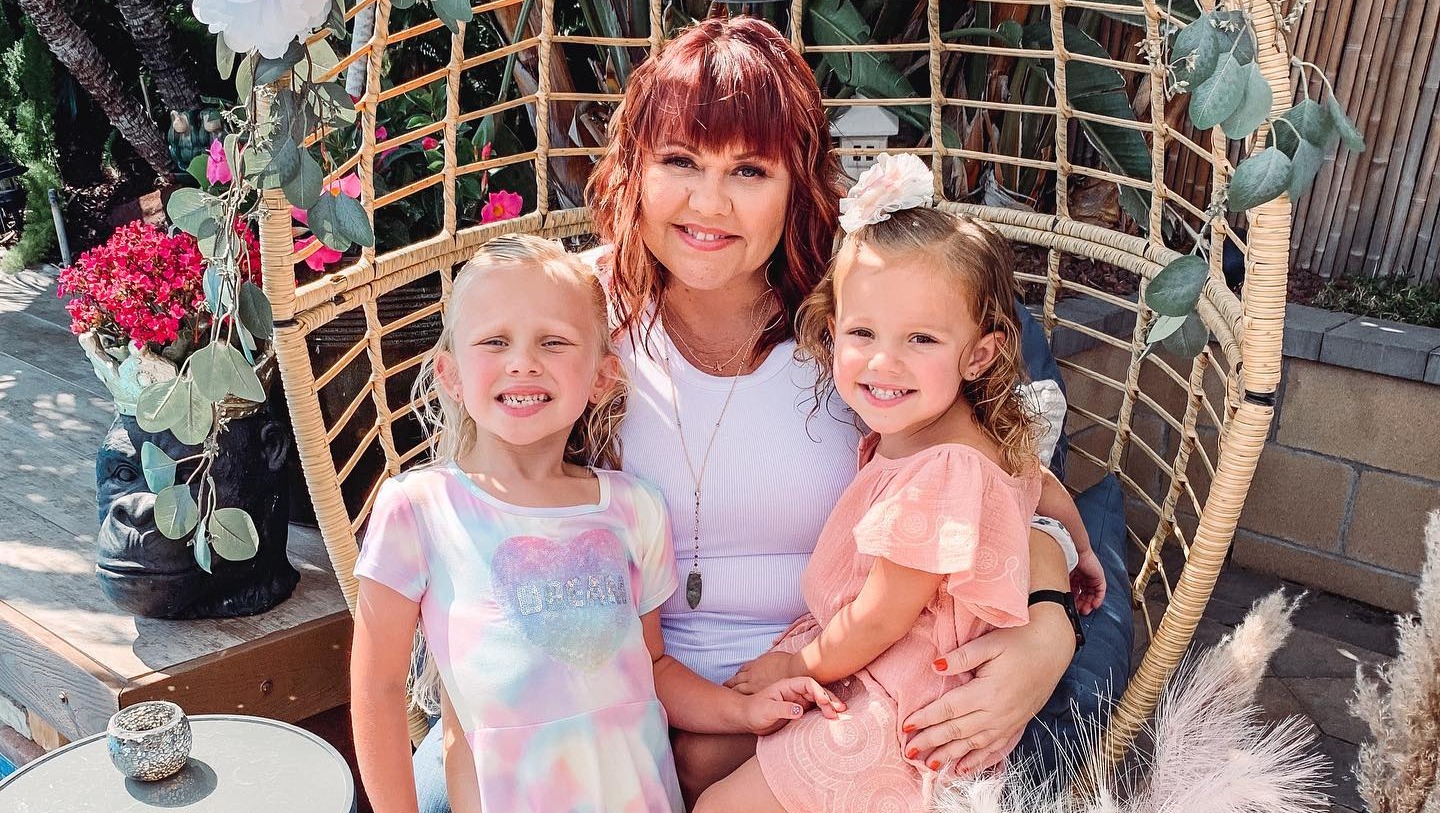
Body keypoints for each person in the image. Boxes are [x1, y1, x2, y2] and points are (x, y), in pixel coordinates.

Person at [416, 16, 1097, 811]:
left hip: (827, 685)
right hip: (603, 678)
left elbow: (996, 481)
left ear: (797, 184)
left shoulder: (858, 326)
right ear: (634, 168)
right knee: (441, 788)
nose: (709, 203)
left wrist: (1048, 627)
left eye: (748, 170)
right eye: (679, 161)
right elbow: (478, 506)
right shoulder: (571, 315)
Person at [351, 234, 840, 813]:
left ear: (602, 376)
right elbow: (378, 690)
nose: (523, 362)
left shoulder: (633, 509)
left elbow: (653, 666)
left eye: (553, 342)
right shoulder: (420, 509)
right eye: (495, 341)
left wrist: (742, 711)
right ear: (451, 375)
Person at [693, 154, 1100, 812]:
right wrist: (1081, 555)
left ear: (980, 353)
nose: (884, 362)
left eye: (921, 339)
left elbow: (881, 615)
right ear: (832, 331)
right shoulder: (965, 435)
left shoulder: (940, 472)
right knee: (696, 758)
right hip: (867, 664)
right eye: (862, 332)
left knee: (718, 806)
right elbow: (1044, 485)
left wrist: (795, 666)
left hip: (895, 704)